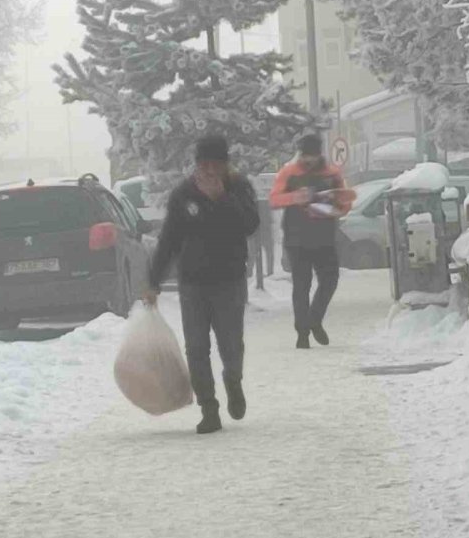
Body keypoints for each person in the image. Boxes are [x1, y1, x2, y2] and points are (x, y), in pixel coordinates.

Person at [143, 134, 260, 434]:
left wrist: (222, 198)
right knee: (196, 348)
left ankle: (233, 382)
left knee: (231, 344)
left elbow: (250, 224)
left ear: (225, 166)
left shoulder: (238, 188)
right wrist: (154, 280)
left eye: (215, 165)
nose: (208, 171)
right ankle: (209, 408)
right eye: (203, 165)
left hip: (229, 280)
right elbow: (169, 239)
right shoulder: (184, 194)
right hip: (193, 283)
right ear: (196, 165)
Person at [270, 134, 356, 349]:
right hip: (296, 238)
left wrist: (339, 204)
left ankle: (314, 320)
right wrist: (294, 198)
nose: (308, 160)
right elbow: (274, 199)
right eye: (305, 156)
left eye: (313, 156)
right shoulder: (288, 173)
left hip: (324, 237)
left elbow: (344, 203)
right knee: (301, 285)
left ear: (320, 154)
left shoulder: (332, 173)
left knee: (330, 280)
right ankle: (302, 333)